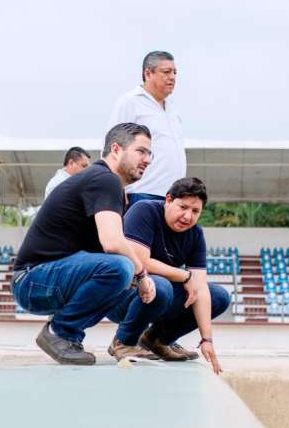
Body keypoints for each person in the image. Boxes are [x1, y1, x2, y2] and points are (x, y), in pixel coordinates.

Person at [12, 123, 156, 365]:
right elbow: (113, 243)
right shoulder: (105, 179)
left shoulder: (106, 183)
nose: (148, 160)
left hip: (46, 278)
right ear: (116, 149)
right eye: (141, 151)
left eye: (150, 154)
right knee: (122, 268)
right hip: (32, 280)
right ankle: (61, 333)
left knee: (130, 279)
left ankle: (134, 338)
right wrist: (142, 274)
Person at [106, 177, 230, 374]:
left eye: (195, 211)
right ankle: (124, 342)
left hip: (157, 296)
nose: (188, 216)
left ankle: (158, 340)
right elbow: (139, 262)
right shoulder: (144, 211)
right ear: (169, 200)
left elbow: (200, 286)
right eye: (183, 207)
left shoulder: (195, 234)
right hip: (120, 294)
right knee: (161, 286)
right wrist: (184, 276)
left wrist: (207, 339)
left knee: (219, 296)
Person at [107, 51, 185, 208]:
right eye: (166, 72)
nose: (172, 77)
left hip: (172, 196)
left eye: (175, 72)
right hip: (142, 192)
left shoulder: (173, 110)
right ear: (148, 73)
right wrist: (117, 186)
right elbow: (111, 144)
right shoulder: (130, 102)